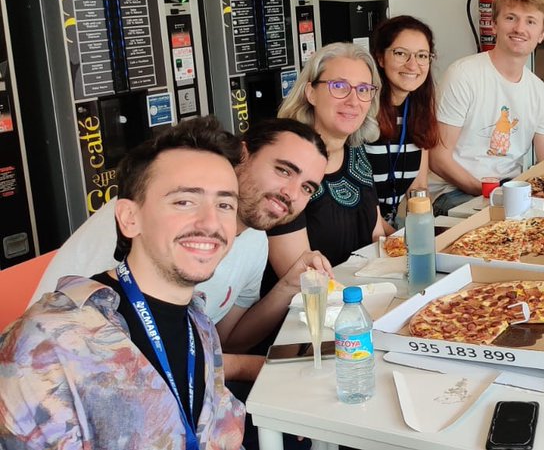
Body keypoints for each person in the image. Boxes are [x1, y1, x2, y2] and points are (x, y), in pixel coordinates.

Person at [1, 117, 247, 448]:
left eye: (224, 204)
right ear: (129, 219)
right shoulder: (47, 341)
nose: (210, 222)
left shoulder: (199, 323)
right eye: (184, 201)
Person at [32, 117, 332, 381]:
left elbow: (224, 340)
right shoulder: (148, 218)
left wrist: (288, 286)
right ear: (243, 154)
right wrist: (253, 368)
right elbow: (105, 359)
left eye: (307, 187)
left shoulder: (252, 239)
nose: (291, 193)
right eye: (283, 170)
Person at [429, 0, 544, 215]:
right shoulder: (463, 74)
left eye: (530, 21)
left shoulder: (540, 92)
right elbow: (438, 158)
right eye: (511, 18)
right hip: (454, 192)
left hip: (509, 190)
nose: (520, 28)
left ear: (541, 35)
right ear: (495, 24)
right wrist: (488, 192)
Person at [269, 42, 387, 288]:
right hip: (309, 311)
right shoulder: (286, 166)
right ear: (310, 92)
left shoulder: (355, 150)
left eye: (364, 89)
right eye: (339, 87)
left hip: (366, 290)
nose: (354, 100)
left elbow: (378, 236)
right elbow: (303, 281)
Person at [366, 15, 440, 228]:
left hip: (390, 230)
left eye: (422, 56)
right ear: (380, 58)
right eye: (400, 53)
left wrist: (422, 233)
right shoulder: (362, 111)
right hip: (359, 233)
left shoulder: (418, 111)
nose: (412, 65)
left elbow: (419, 189)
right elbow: (357, 202)